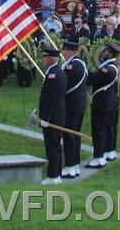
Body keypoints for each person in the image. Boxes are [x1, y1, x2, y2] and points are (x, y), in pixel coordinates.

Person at [87, 41, 120, 169]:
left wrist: (85, 73)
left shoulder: (108, 69)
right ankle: (110, 151)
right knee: (109, 128)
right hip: (110, 103)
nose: (103, 52)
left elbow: (94, 79)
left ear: (111, 53)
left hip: (102, 104)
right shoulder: (113, 66)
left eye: (106, 51)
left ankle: (99, 157)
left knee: (99, 130)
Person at [38, 46, 67, 184]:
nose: (43, 60)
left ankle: (53, 175)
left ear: (49, 59)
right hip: (57, 116)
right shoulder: (59, 72)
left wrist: (46, 118)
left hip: (52, 117)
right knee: (55, 145)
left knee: (52, 146)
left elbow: (51, 99)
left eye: (44, 57)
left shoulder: (52, 74)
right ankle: (57, 174)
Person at [60, 39, 88, 179]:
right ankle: (75, 165)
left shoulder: (72, 66)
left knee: (69, 135)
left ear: (69, 51)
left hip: (71, 104)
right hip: (78, 104)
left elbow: (66, 84)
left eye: (64, 51)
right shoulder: (80, 63)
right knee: (75, 134)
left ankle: (70, 165)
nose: (62, 53)